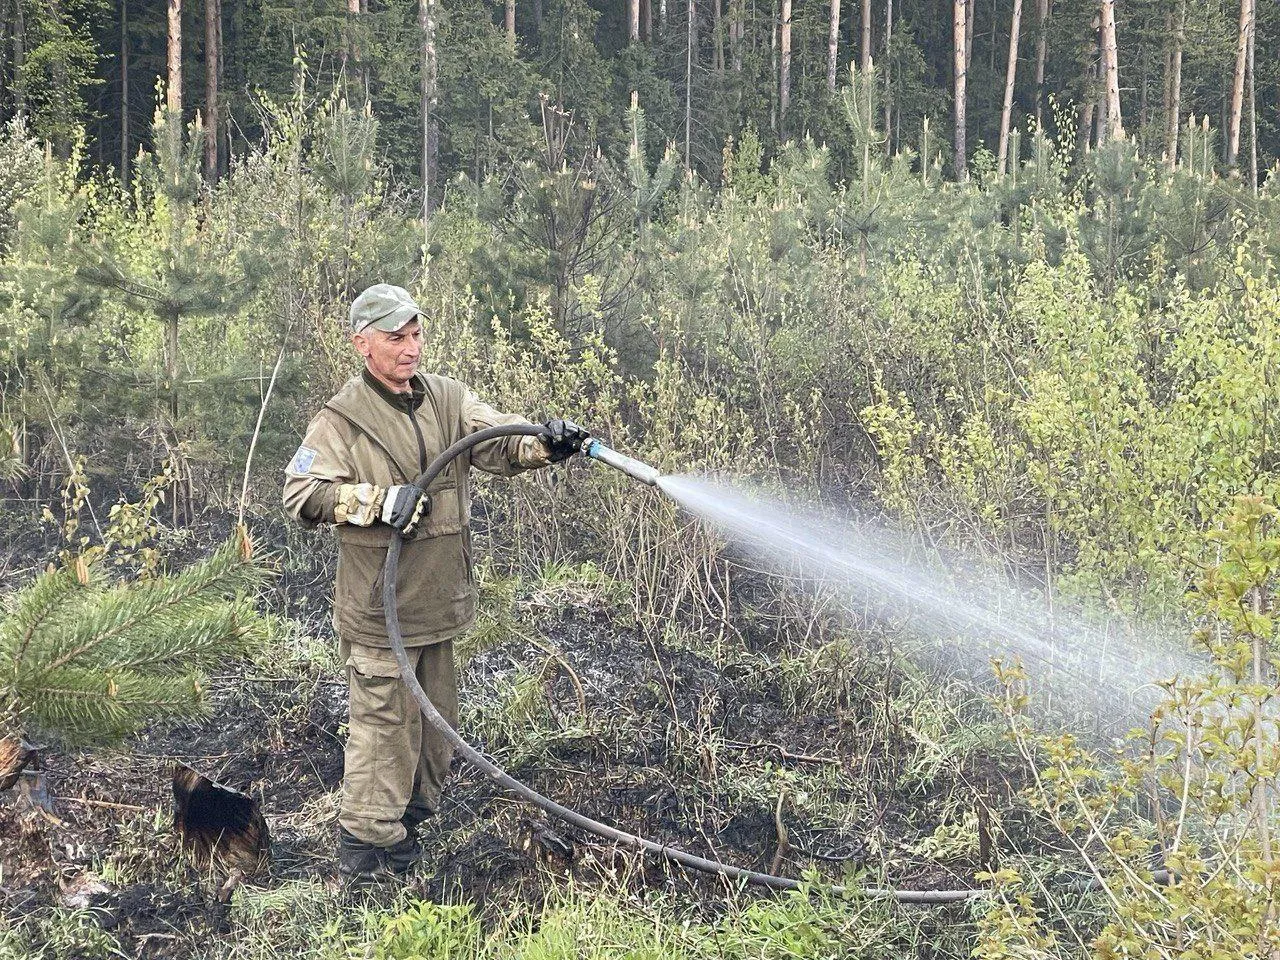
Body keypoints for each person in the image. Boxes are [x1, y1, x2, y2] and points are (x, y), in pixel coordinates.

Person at [282, 283, 588, 881]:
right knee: (384, 729)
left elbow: (499, 440)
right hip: (381, 611)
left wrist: (546, 443)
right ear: (363, 344)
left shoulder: (447, 399)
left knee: (434, 726)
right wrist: (376, 502)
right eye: (395, 337)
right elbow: (302, 494)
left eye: (416, 334)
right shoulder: (341, 420)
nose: (411, 348)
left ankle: (410, 825)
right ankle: (367, 849)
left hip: (438, 604)